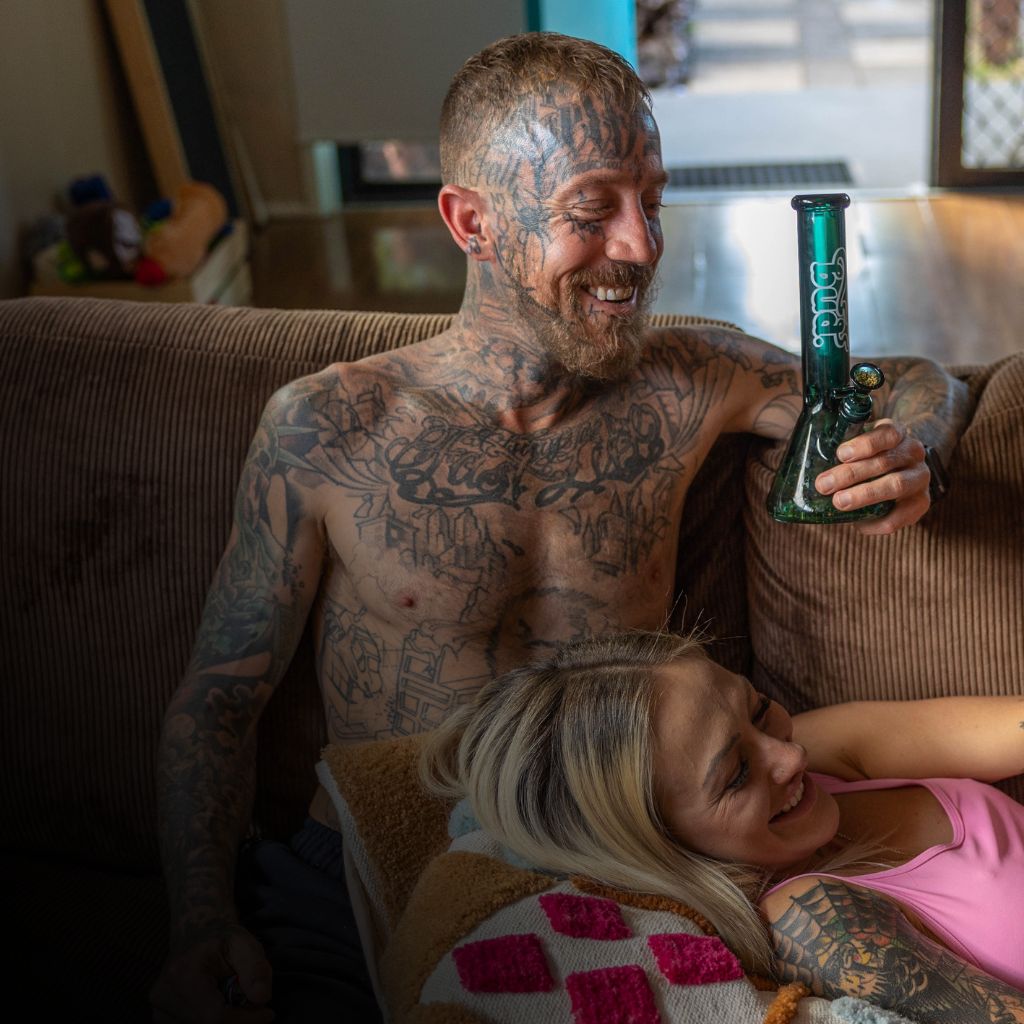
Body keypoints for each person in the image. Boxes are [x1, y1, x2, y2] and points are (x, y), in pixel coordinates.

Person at [149, 31, 971, 1024]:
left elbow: (918, 377)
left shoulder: (686, 383)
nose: (641, 245)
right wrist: (200, 921)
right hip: (363, 875)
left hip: (604, 880)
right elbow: (219, 701)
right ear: (472, 221)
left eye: (651, 200)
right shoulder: (328, 429)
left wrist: (910, 450)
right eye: (592, 210)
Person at [421, 630, 1024, 1020]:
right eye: (736, 775)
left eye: (757, 710)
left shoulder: (819, 754)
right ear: (662, 841)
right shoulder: (814, 921)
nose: (790, 755)